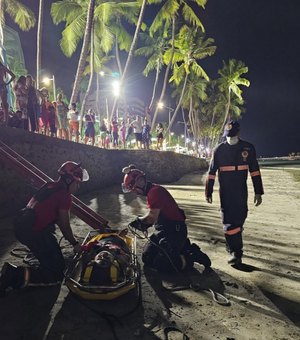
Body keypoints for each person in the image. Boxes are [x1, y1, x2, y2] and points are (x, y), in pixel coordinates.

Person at [0, 161, 89, 295]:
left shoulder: (49, 185)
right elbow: (64, 225)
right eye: (77, 183)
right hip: (36, 232)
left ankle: (37, 262)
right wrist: (75, 244)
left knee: (53, 258)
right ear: (69, 179)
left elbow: (54, 217)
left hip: (22, 226)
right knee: (56, 274)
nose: (78, 187)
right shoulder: (64, 196)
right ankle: (13, 275)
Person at [122, 164, 211, 273]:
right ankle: (181, 247)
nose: (134, 192)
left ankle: (191, 255)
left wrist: (139, 221)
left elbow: (151, 218)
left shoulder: (155, 192)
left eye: (134, 188)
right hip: (163, 230)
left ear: (140, 181)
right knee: (148, 258)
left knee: (163, 264)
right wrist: (140, 222)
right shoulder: (153, 191)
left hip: (175, 231)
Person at [205, 120, 264, 266]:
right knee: (229, 224)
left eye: (232, 135)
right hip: (225, 193)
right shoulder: (218, 150)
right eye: (227, 135)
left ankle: (233, 241)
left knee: (239, 219)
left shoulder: (248, 148)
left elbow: (255, 171)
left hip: (241, 193)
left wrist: (258, 192)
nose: (230, 138)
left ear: (238, 132)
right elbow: (211, 173)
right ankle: (236, 253)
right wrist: (209, 191)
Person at [0, 61, 15, 126]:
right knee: (4, 104)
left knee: (4, 104)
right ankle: (5, 121)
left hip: (2, 86)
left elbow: (13, 76)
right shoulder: (3, 68)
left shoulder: (3, 68)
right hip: (3, 85)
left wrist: (7, 83)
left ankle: (5, 121)